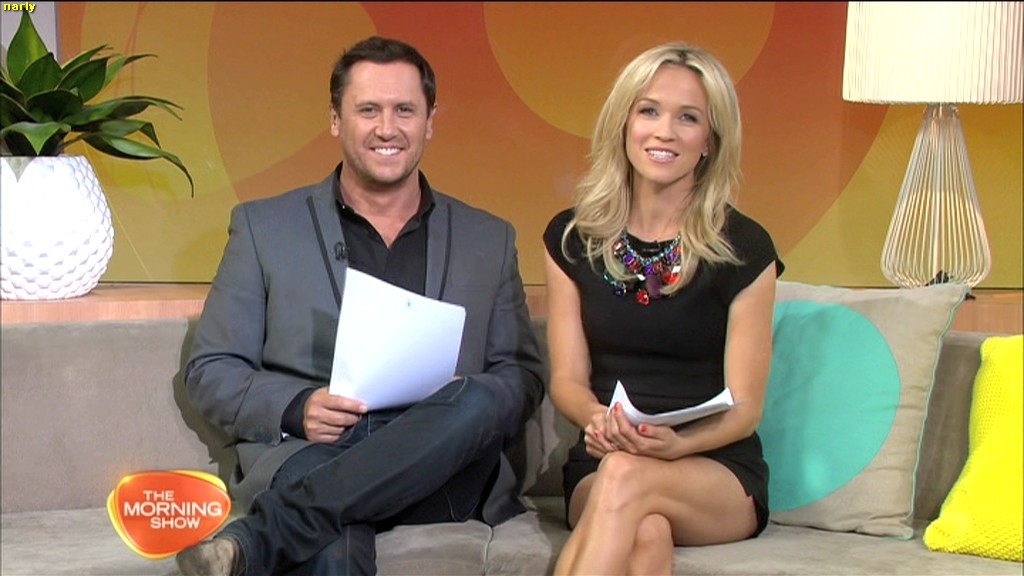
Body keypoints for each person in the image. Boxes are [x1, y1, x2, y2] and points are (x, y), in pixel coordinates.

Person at [175, 36, 544, 576]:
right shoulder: (263, 228)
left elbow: (522, 377)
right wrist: (297, 405)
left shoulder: (488, 238)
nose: (387, 128)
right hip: (314, 451)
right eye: (368, 110)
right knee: (330, 535)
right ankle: (308, 513)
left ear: (430, 121)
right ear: (335, 119)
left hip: (443, 469)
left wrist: (452, 401)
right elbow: (211, 369)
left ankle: (265, 535)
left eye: (405, 111)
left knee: (480, 397)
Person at [543, 42, 784, 575]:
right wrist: (602, 423)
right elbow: (567, 381)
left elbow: (745, 408)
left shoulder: (744, 248)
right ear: (624, 123)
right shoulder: (571, 238)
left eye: (688, 118)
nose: (665, 132)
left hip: (712, 468)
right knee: (645, 531)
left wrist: (674, 446)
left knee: (626, 477)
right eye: (649, 111)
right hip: (603, 459)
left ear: (710, 140)